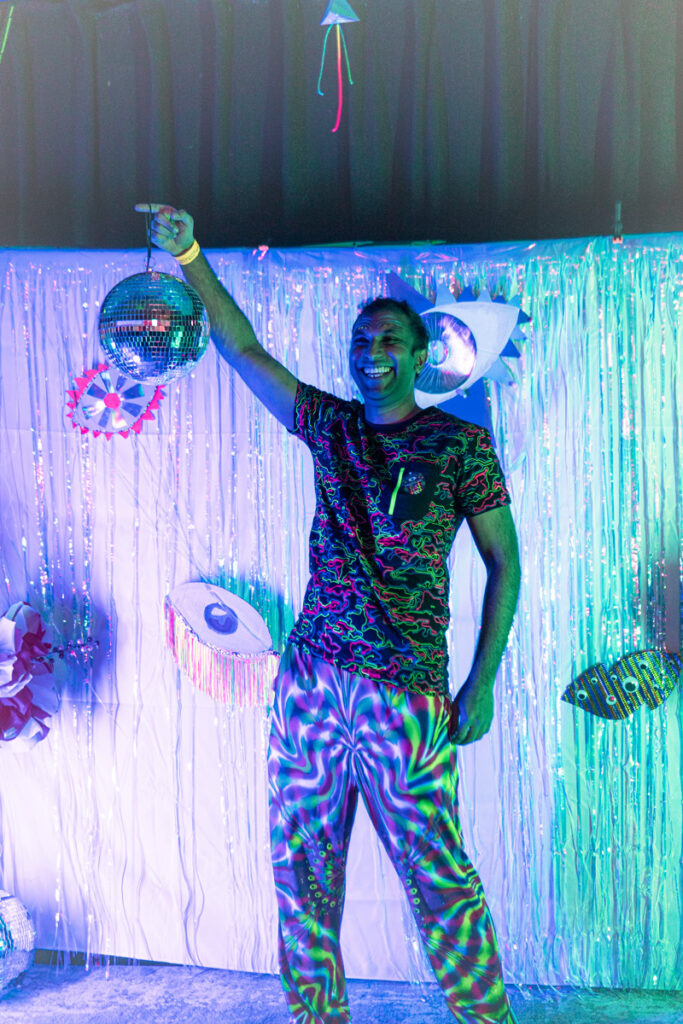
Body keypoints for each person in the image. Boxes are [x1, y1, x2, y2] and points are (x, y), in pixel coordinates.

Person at [137, 204, 521, 1024]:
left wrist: (481, 683)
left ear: (420, 354)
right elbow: (243, 348)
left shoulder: (459, 446)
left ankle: (485, 1018)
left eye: (389, 341)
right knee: (302, 878)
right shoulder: (331, 426)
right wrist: (191, 254)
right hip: (310, 687)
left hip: (404, 692)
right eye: (360, 341)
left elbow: (504, 564)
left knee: (438, 878)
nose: (372, 354)